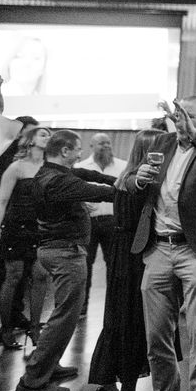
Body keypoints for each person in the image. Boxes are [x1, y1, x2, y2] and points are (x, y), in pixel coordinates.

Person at [125, 97, 196, 391]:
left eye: (189, 115)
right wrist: (138, 180)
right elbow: (128, 179)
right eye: (177, 114)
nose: (180, 119)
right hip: (159, 249)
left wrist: (195, 135)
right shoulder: (162, 142)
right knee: (156, 339)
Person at [16, 129, 116, 391]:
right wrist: (127, 189)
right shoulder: (58, 180)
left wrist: (118, 179)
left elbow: (88, 175)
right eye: (77, 149)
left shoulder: (50, 172)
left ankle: (48, 366)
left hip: (59, 251)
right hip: (65, 253)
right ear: (65, 151)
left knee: (64, 316)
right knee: (63, 319)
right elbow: (97, 192)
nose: (80, 154)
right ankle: (32, 382)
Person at [88, 127, 165, 391]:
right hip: (135, 256)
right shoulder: (138, 180)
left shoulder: (124, 177)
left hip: (124, 253)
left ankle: (108, 381)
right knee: (132, 321)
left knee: (118, 318)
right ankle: (126, 389)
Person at [0, 74, 39, 341]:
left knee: (21, 272)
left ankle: (14, 316)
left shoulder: (34, 159)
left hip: (28, 220)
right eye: (30, 133)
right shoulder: (1, 153)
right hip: (3, 219)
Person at [0, 126, 51, 349]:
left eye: (49, 135)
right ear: (30, 140)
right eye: (43, 134)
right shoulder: (16, 167)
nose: (48, 137)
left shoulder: (50, 168)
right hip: (16, 227)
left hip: (40, 227)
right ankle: (6, 329)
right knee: (14, 276)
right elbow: (1, 201)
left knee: (41, 275)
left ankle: (34, 328)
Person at [75, 132, 127, 314]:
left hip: (113, 221)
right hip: (88, 222)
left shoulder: (123, 166)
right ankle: (81, 307)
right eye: (101, 143)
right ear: (91, 146)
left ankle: (114, 306)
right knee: (85, 264)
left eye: (108, 143)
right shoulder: (80, 168)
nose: (105, 146)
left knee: (114, 265)